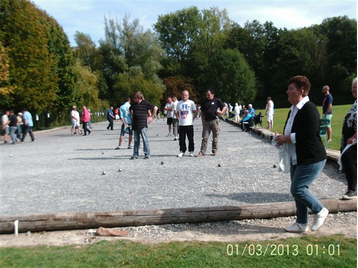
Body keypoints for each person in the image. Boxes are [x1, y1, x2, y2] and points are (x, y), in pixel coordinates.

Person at [275, 75, 328, 233]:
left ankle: (320, 210)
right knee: (297, 190)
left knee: (297, 189)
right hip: (297, 157)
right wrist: (281, 139)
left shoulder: (309, 108)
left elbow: (310, 132)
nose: (287, 92)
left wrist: (288, 138)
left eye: (291, 89)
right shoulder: (293, 110)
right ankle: (301, 223)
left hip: (311, 157)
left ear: (302, 91)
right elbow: (291, 130)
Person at [339, 78, 357, 200]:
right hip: (349, 140)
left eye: (355, 87)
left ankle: (352, 190)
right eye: (352, 87)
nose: (353, 89)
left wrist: (354, 137)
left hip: (355, 141)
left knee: (348, 157)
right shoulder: (355, 103)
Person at [197, 89, 226, 157]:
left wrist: (222, 112)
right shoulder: (204, 102)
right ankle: (202, 151)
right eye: (206, 94)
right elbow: (202, 112)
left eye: (209, 94)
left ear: (212, 94)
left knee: (215, 136)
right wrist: (202, 121)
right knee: (205, 137)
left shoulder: (216, 100)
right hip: (206, 121)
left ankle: (214, 150)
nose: (207, 96)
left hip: (214, 120)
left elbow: (224, 106)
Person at [129, 91, 158, 159]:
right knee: (136, 140)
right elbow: (130, 109)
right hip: (135, 125)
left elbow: (155, 108)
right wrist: (133, 115)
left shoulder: (145, 103)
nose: (134, 99)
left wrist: (152, 117)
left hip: (143, 125)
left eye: (135, 98)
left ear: (140, 98)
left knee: (145, 140)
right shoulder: (134, 104)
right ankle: (135, 154)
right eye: (134, 98)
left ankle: (147, 154)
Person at [175, 90, 197, 157]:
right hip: (181, 124)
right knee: (181, 138)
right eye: (183, 95)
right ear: (181, 95)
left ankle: (191, 150)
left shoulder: (191, 102)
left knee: (190, 138)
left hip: (189, 123)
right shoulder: (179, 103)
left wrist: (193, 118)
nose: (184, 96)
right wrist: (178, 117)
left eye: (186, 95)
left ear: (188, 96)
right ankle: (182, 150)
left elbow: (195, 111)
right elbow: (177, 112)